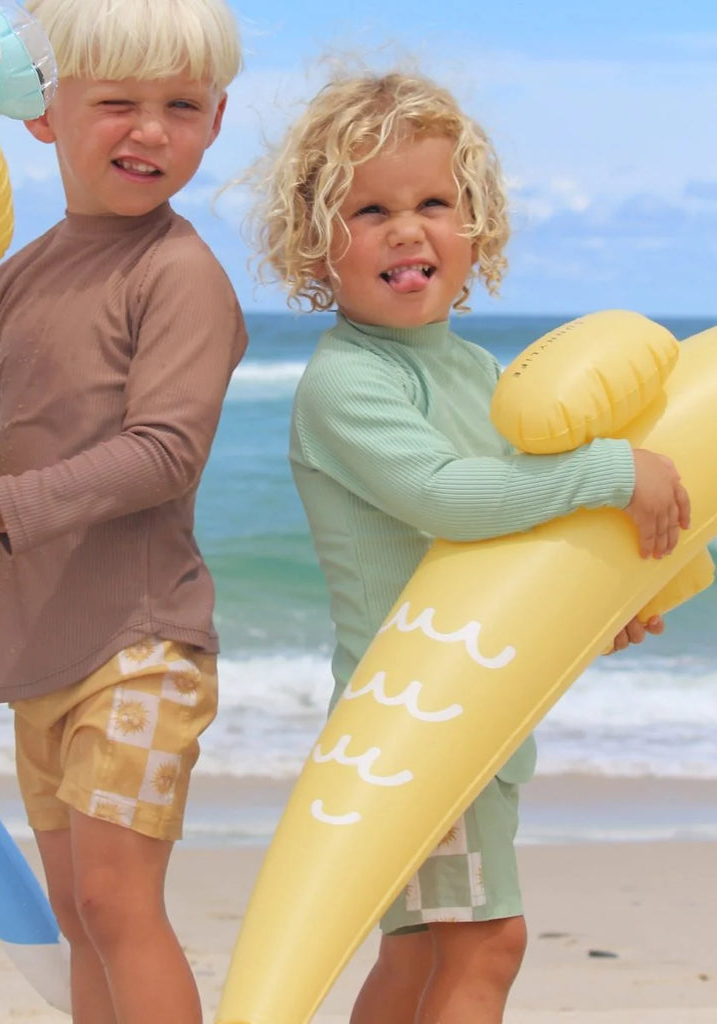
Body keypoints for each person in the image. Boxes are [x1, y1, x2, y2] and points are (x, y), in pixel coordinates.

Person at [241, 70, 690, 1024]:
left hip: (466, 712)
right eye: (369, 210)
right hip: (417, 718)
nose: (407, 229)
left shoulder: (478, 371)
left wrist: (591, 610)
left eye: (434, 203)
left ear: (476, 227)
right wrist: (614, 473)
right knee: (487, 945)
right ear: (315, 245)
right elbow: (447, 500)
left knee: (415, 963)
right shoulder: (347, 383)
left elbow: (511, 541)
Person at [0, 1, 246, 1020]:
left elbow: (164, 453)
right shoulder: (14, 283)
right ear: (43, 115)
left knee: (115, 900)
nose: (149, 129)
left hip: (140, 646)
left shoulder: (179, 274)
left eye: (179, 106)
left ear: (217, 120)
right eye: (117, 103)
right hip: (38, 659)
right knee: (75, 909)